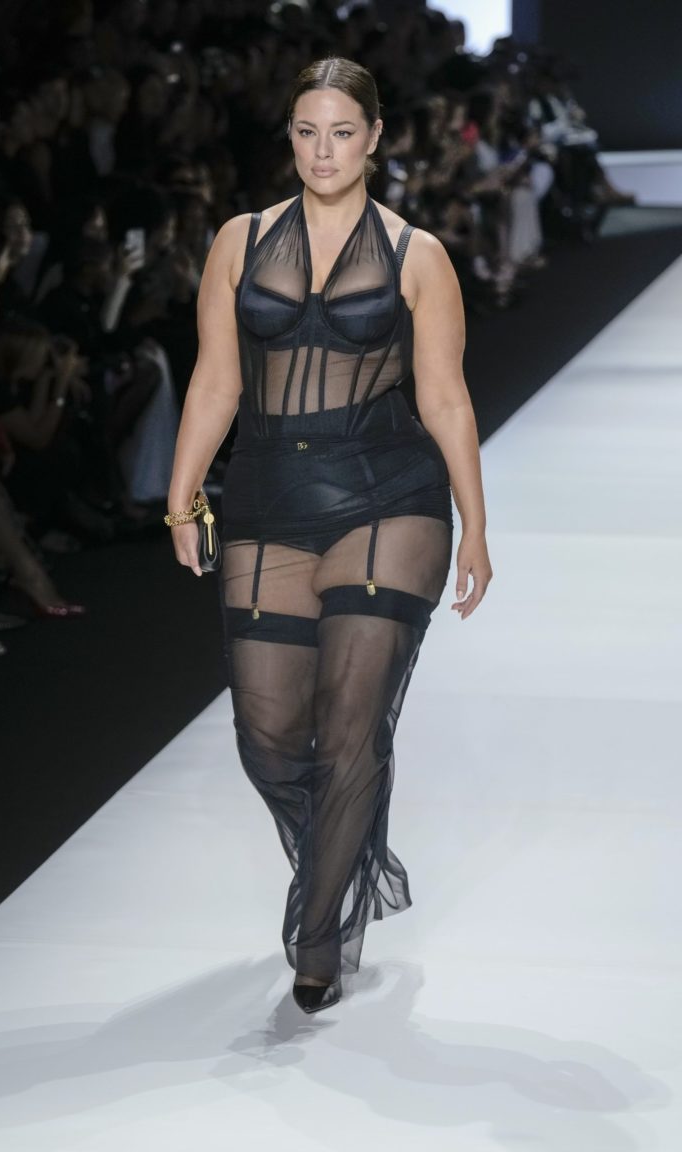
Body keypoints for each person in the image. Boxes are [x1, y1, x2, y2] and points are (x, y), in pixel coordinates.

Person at [166, 57, 492, 1015]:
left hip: (389, 495)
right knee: (268, 740)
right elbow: (216, 377)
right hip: (268, 494)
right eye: (307, 132)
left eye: (342, 132)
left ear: (375, 138)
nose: (323, 151)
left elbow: (444, 396)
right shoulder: (240, 240)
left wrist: (476, 524)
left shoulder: (417, 254)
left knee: (350, 729)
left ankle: (317, 944)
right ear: (290, 136)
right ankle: (346, 835)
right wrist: (182, 498)